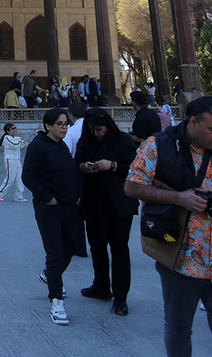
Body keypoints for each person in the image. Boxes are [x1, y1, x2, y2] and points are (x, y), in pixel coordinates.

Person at [125, 95, 212, 357]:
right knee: (179, 330)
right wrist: (178, 197)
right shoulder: (159, 145)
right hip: (182, 260)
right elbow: (132, 186)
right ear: (193, 122)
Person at [22, 107, 85, 326]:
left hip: (69, 206)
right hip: (49, 208)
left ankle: (50, 275)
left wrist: (77, 195)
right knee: (55, 253)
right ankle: (56, 300)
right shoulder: (38, 146)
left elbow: (69, 171)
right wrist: (47, 197)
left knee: (72, 247)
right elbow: (28, 176)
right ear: (48, 125)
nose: (64, 128)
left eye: (66, 124)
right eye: (59, 124)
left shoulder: (62, 145)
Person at [74, 107, 137, 316]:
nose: (97, 134)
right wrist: (84, 167)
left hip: (119, 203)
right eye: (93, 130)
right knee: (97, 245)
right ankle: (101, 286)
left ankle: (121, 298)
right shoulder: (86, 141)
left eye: (100, 130)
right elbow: (77, 163)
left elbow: (135, 168)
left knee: (119, 249)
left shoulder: (123, 141)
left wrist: (113, 165)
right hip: (94, 202)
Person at [0, 123, 28, 202]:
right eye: (12, 129)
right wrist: (18, 138)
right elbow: (15, 145)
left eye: (15, 128)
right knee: (10, 178)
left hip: (17, 159)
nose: (15, 130)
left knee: (19, 178)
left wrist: (18, 139)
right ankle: (0, 193)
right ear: (8, 131)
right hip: (10, 159)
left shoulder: (16, 138)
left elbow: (22, 145)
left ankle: (18, 195)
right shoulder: (7, 138)